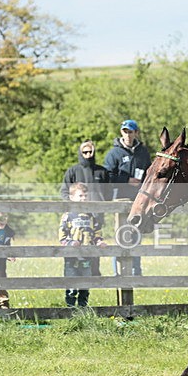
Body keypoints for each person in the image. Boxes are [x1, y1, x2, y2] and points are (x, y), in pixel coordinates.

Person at [103, 119, 151, 275]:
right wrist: (126, 181)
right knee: (120, 235)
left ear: (136, 133)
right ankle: (118, 272)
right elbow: (108, 176)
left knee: (136, 235)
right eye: (125, 131)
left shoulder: (143, 152)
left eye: (130, 131)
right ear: (121, 132)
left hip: (138, 200)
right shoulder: (114, 153)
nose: (128, 134)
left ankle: (136, 271)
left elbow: (150, 173)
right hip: (120, 199)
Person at [59, 183, 106, 307]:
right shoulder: (68, 215)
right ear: (72, 197)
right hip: (72, 257)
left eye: (85, 196)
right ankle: (70, 309)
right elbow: (62, 236)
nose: (84, 198)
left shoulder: (91, 215)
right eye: (80, 196)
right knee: (72, 285)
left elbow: (96, 231)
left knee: (85, 284)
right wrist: (70, 243)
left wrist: (99, 241)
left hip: (87, 256)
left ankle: (83, 308)